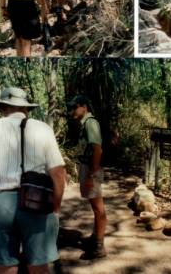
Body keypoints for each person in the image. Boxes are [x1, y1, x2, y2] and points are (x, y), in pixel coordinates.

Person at [0, 87, 66, 274]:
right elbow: (58, 173)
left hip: (0, 204)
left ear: (1, 108)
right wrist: (56, 207)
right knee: (39, 264)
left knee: (5, 263)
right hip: (37, 201)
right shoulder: (43, 129)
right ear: (26, 108)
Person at [68, 95, 107, 259]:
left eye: (74, 107)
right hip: (88, 167)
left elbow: (97, 149)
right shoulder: (86, 124)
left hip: (92, 169)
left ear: (84, 107)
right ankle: (95, 236)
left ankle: (99, 246)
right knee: (96, 206)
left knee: (98, 208)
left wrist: (92, 174)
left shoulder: (91, 123)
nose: (71, 111)